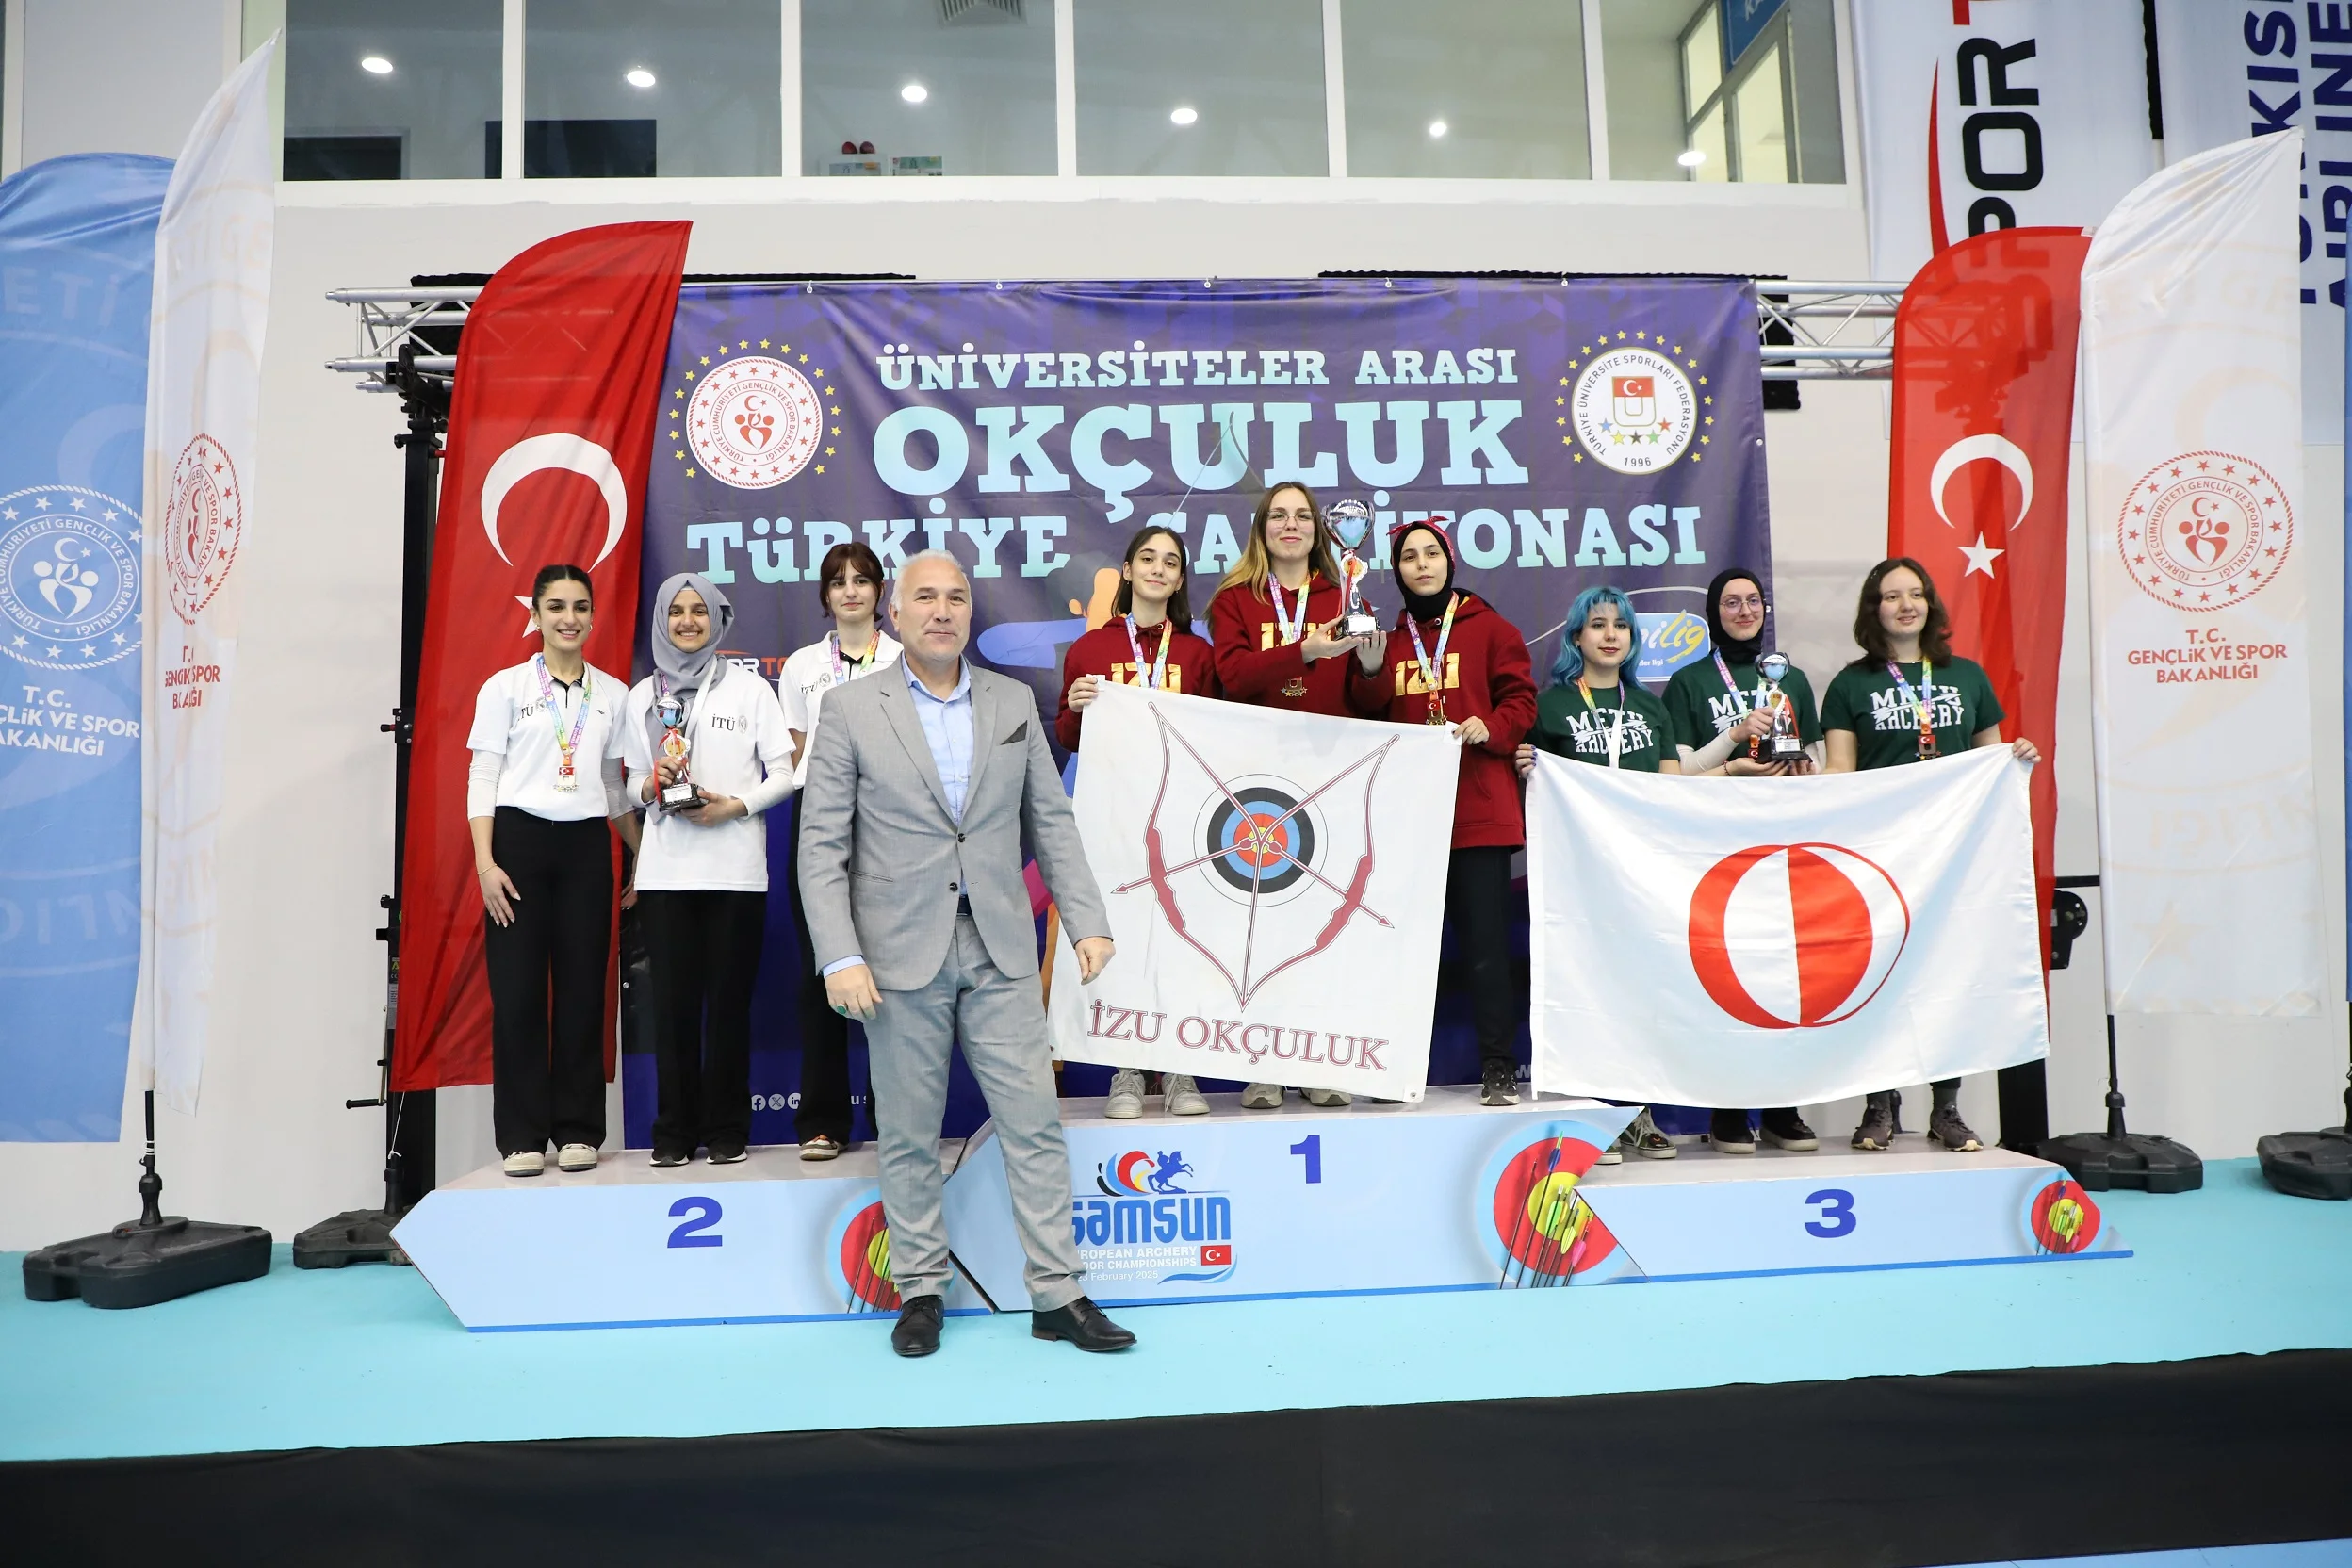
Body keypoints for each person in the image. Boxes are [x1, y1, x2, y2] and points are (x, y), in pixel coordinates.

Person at [799, 549, 1135, 1359]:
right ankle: (920, 1290)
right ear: (895, 614)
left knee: (1034, 1123)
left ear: (970, 613)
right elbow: (822, 847)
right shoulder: (849, 708)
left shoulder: (1011, 701)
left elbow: (1050, 822)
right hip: (895, 954)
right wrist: (839, 955)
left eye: (956, 597)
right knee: (910, 1133)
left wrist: (1087, 921)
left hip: (999, 946)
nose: (942, 610)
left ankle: (1057, 1293)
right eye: (925, 597)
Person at [1820, 556, 2040, 1155]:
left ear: (1930, 605)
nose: (1905, 605)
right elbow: (1840, 772)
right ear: (1874, 610)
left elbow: (1991, 759)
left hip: (1954, 858)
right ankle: (1879, 1107)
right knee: (1882, 979)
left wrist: (2016, 755)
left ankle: (1947, 1110)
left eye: (1915, 594)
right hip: (1884, 855)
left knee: (1951, 977)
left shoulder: (1967, 676)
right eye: (1891, 596)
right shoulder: (1849, 685)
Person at [1346, 520, 1537, 1108]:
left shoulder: (1492, 629)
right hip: (1409, 821)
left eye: (1431, 553)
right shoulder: (1388, 640)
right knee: (1403, 952)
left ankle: (1499, 1068)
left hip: (1478, 814)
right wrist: (1370, 671)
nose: (1422, 564)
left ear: (1449, 562)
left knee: (1486, 950)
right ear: (1397, 570)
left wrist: (1492, 726)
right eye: (1409, 556)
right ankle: (1393, 1070)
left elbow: (1521, 701)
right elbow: (1367, 712)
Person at [467, 564, 639, 1179]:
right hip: (517, 846)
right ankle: (520, 1136)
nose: (570, 618)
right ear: (536, 615)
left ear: (592, 615)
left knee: (582, 993)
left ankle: (577, 1130)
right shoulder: (505, 688)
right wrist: (486, 863)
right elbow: (483, 776)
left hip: (586, 850)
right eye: (557, 607)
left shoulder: (613, 694)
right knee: (516, 996)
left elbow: (614, 787)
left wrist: (645, 854)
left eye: (580, 607)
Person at [1207, 482, 1370, 1112]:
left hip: (1328, 777)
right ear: (1261, 529)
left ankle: (1318, 1060)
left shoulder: (1343, 594)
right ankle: (1264, 1066)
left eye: (1303, 516)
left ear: (1319, 531)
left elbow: (1368, 700)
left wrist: (1373, 666)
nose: (1291, 525)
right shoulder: (1234, 600)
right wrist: (1305, 651)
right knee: (1261, 926)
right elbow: (1233, 676)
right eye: (1278, 516)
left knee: (1321, 926)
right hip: (1259, 782)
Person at [623, 573, 794, 1167]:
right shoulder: (642, 696)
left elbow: (784, 774)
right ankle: (672, 1133)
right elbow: (628, 782)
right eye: (677, 611)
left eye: (700, 611)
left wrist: (735, 807)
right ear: (662, 621)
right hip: (665, 876)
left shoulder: (751, 690)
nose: (688, 621)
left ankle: (726, 1130)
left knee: (727, 1009)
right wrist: (651, 786)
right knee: (671, 1012)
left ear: (718, 621)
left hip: (734, 875)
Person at [1059, 523, 1220, 1119]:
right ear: (1127, 571)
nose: (1158, 569)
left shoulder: (1198, 654)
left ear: (1179, 580)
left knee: (1180, 940)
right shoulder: (1090, 649)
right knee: (1122, 936)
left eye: (1170, 562)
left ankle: (1177, 1070)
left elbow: (1217, 737)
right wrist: (1075, 708)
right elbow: (1069, 737)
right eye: (1147, 558)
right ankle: (1127, 1071)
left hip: (1182, 819)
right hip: (1114, 816)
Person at [1515, 584, 1680, 1163]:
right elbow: (1528, 779)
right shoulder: (1550, 705)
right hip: (1576, 878)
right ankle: (1590, 1115)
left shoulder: (1651, 706)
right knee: (1584, 988)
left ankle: (1639, 1113)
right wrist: (1522, 764)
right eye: (1598, 625)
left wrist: (1734, 763)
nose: (1611, 635)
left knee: (1640, 991)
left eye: (1621, 626)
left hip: (1641, 874)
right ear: (1576, 637)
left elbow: (1671, 787)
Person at [1664, 567, 1825, 1159]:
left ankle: (1782, 1107)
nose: (1744, 611)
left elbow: (1816, 758)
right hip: (1717, 847)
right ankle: (1729, 1109)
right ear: (1713, 613)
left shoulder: (1792, 678)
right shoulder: (1688, 682)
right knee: (1726, 977)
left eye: (1753, 601)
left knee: (1785, 976)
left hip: (1784, 846)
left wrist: (1803, 767)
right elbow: (1681, 772)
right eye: (1731, 602)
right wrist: (1735, 742)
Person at [777, 542, 903, 1161]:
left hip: (890, 816)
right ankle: (823, 1121)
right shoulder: (801, 666)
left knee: (891, 970)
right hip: (820, 815)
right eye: (838, 582)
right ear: (825, 595)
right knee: (821, 967)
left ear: (880, 591)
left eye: (861, 580)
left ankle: (893, 1116)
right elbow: (796, 752)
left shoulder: (904, 658)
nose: (850, 590)